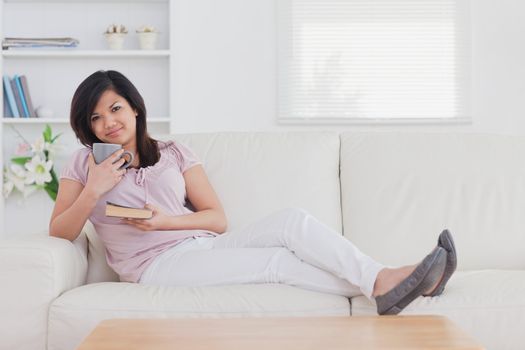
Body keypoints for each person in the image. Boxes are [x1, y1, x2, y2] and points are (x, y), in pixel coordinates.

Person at [49, 70, 457, 315]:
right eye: (96, 117)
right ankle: (397, 281)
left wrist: (167, 221)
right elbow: (59, 231)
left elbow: (216, 218)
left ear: (135, 108)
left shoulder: (174, 153)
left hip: (202, 245)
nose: (108, 123)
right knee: (276, 264)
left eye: (115, 108)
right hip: (155, 267)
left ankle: (389, 281)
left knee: (291, 221)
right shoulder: (83, 164)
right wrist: (93, 191)